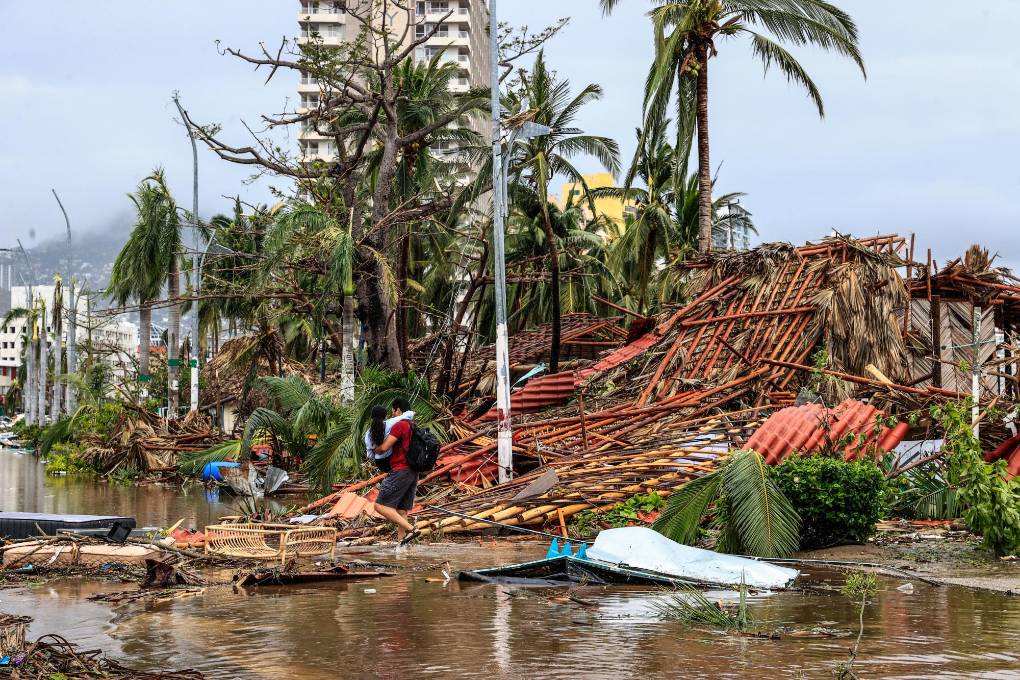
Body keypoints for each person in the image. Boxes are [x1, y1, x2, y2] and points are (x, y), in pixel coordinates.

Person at [371, 398, 422, 545]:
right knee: (401, 510)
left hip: (400, 470)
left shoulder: (400, 425)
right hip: (412, 471)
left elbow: (385, 447)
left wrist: (374, 449)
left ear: (398, 410)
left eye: (393, 411)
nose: (392, 414)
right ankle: (402, 545)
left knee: (379, 506)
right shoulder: (413, 425)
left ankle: (411, 529)